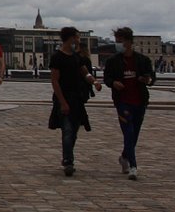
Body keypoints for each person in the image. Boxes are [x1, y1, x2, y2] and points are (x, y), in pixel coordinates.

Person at [102, 27, 155, 180]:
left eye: (121, 41)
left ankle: (125, 156)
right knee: (129, 133)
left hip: (139, 101)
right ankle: (133, 166)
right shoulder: (113, 61)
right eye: (117, 41)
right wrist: (114, 83)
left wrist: (146, 80)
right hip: (123, 102)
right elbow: (107, 78)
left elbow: (151, 77)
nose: (118, 44)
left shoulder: (142, 60)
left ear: (129, 42)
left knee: (135, 134)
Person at [49, 26, 99, 177]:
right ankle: (68, 161)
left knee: (74, 131)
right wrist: (62, 102)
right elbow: (55, 81)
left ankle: (67, 157)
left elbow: (85, 72)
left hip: (77, 99)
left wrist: (94, 81)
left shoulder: (77, 57)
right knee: (68, 130)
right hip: (64, 97)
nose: (78, 40)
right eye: (76, 37)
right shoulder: (57, 57)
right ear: (70, 38)